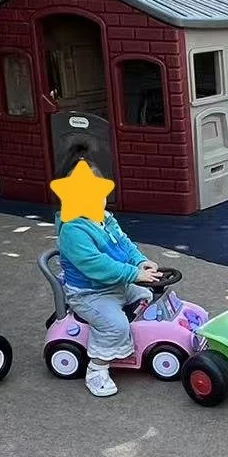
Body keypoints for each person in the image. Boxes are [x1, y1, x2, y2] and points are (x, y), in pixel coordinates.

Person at [55, 150, 163, 398]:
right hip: (90, 293)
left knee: (147, 294)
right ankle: (97, 370)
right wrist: (131, 273)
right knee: (115, 325)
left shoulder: (103, 218)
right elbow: (96, 265)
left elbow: (123, 243)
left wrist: (141, 262)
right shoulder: (73, 230)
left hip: (117, 283)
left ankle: (134, 339)